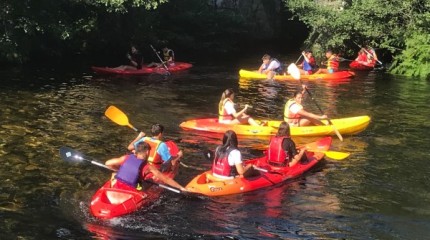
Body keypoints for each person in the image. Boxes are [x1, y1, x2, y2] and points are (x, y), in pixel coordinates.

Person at [105, 141, 187, 191]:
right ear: (147, 152)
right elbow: (165, 179)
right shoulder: (149, 167)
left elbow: (107, 164)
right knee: (151, 180)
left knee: (114, 174)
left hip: (118, 185)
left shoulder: (125, 158)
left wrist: (119, 170)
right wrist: (181, 187)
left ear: (136, 151)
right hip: (133, 189)